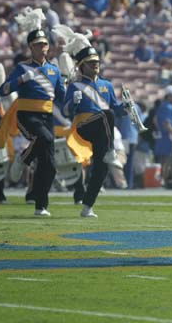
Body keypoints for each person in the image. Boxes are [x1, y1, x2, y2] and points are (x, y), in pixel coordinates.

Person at [0, 7, 65, 216]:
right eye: (37, 45)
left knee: (50, 166)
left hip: (46, 117)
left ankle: (40, 205)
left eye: (44, 44)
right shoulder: (22, 68)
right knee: (43, 139)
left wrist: (73, 92)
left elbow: (61, 97)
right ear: (30, 47)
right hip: (26, 116)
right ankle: (23, 158)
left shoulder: (54, 70)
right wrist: (19, 81)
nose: (42, 48)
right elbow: (3, 90)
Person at [58, 25, 126, 218]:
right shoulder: (75, 85)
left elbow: (116, 110)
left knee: (101, 169)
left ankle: (87, 206)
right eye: (90, 62)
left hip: (102, 130)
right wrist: (73, 102)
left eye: (96, 61)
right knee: (107, 115)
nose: (95, 64)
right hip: (83, 127)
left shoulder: (107, 85)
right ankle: (111, 152)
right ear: (81, 66)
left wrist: (127, 108)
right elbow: (65, 110)